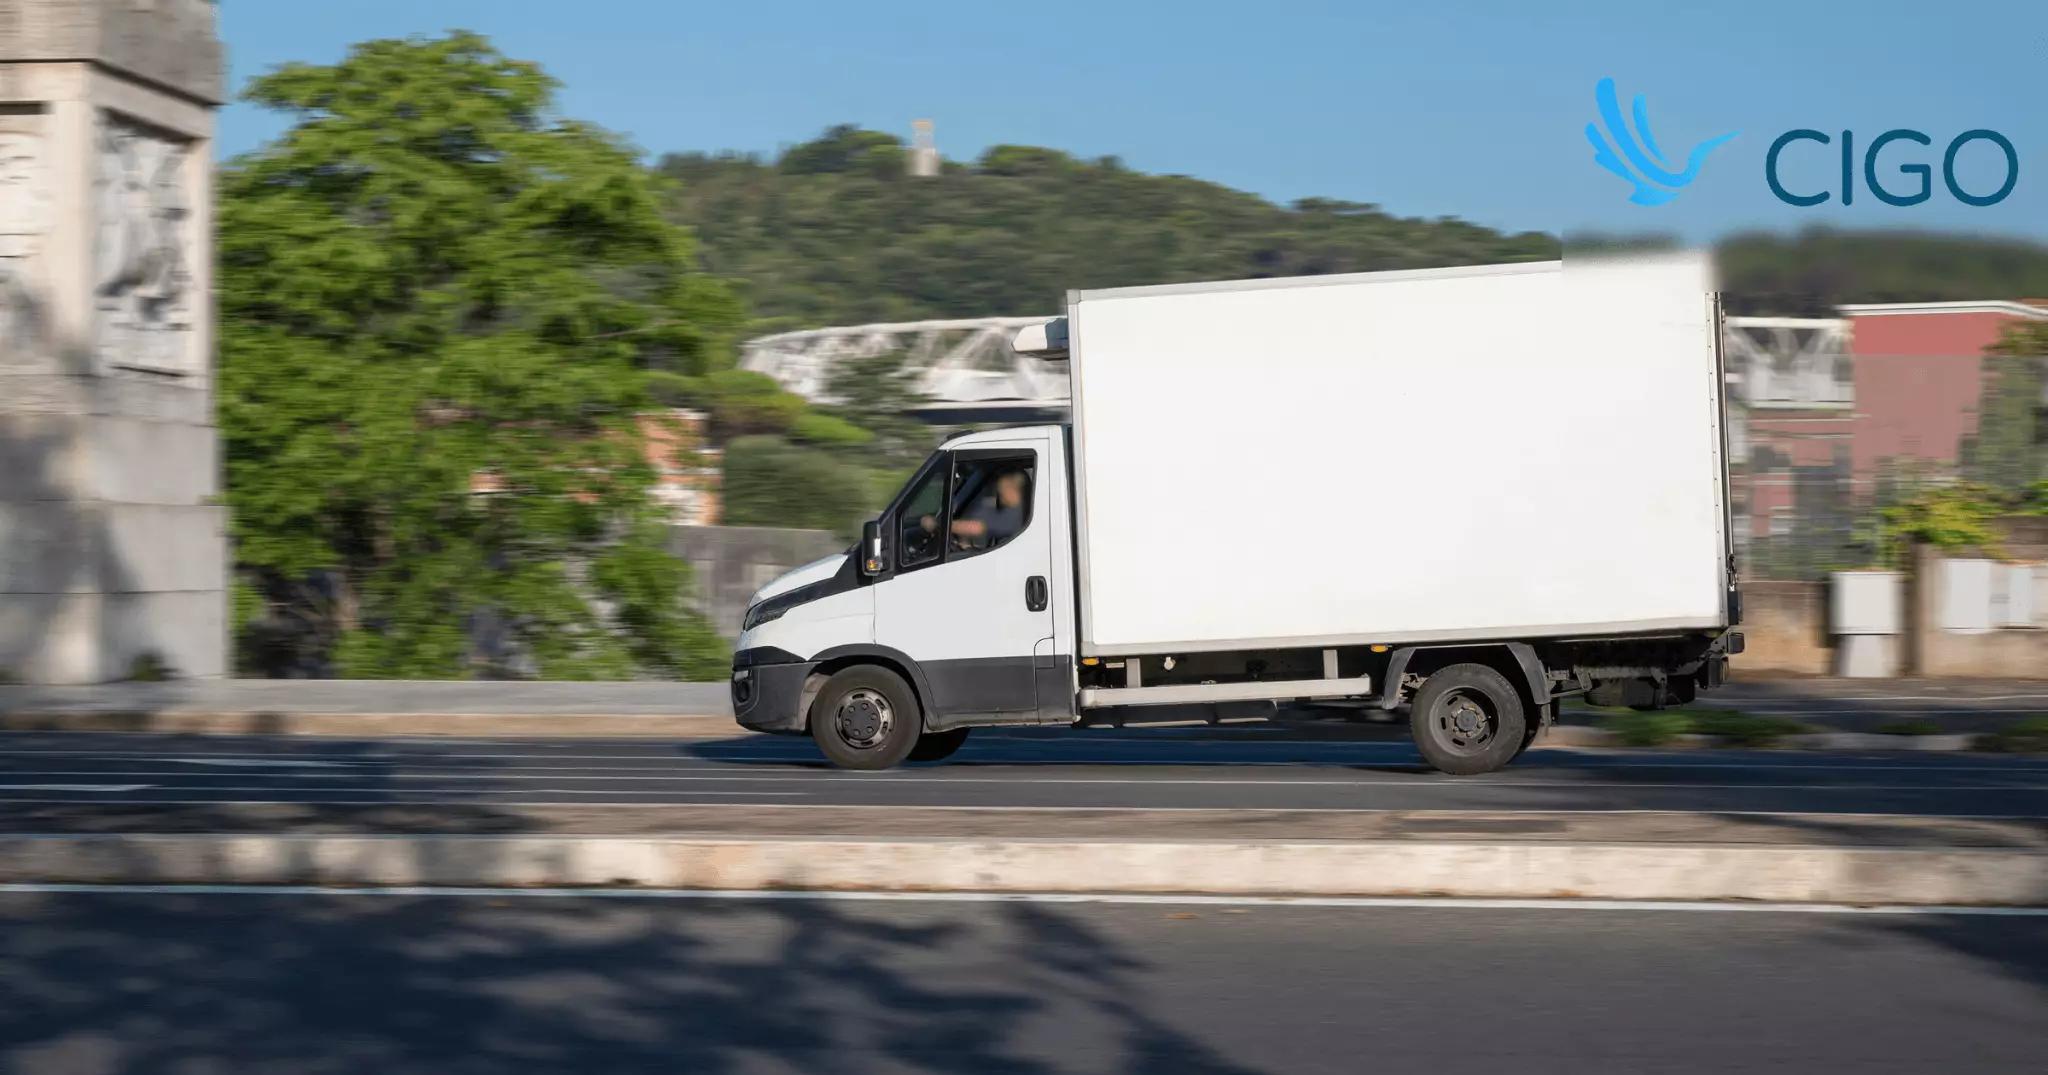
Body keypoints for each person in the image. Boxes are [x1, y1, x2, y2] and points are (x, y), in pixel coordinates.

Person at [922, 468, 1028, 551]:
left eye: (1003, 489)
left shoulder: (1014, 515)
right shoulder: (1018, 511)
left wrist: (937, 525)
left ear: (1014, 489)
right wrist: (968, 547)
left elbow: (976, 527)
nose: (1000, 494)